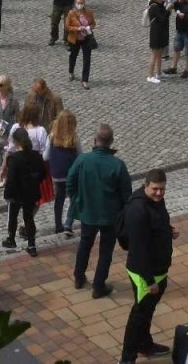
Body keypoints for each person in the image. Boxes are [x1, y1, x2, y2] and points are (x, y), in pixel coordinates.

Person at [119, 169, 178, 364]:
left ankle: (145, 345)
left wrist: (168, 231)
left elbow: (156, 223)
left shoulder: (155, 202)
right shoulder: (138, 210)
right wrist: (149, 280)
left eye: (162, 189)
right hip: (146, 273)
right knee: (139, 316)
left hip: (158, 268)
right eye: (155, 189)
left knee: (146, 312)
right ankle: (127, 358)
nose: (159, 193)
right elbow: (138, 248)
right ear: (146, 186)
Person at [68, 123, 133, 298]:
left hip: (88, 213)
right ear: (111, 142)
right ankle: (98, 286)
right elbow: (127, 194)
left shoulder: (83, 160)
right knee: (106, 251)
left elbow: (70, 181)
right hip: (110, 217)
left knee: (84, 245)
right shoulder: (118, 165)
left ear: (95, 140)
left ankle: (79, 277)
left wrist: (77, 200)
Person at [1, 129, 47, 256]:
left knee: (13, 217)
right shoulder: (36, 155)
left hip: (16, 194)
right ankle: (31, 245)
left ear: (16, 142)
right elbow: (42, 173)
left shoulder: (14, 159)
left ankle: (11, 239)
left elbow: (11, 179)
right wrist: (34, 182)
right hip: (31, 193)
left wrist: (7, 194)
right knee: (29, 218)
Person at [48, 110, 80, 238]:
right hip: (71, 173)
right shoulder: (74, 138)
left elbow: (45, 155)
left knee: (59, 197)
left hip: (57, 173)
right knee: (73, 197)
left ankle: (58, 225)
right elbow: (80, 154)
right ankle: (68, 223)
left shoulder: (51, 136)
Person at [65, 0, 97, 89]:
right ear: (75, 3)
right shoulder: (71, 13)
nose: (80, 5)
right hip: (75, 39)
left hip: (86, 38)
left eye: (82, 3)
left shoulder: (89, 12)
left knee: (87, 59)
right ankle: (71, 71)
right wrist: (77, 29)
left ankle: (85, 80)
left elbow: (93, 24)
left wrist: (88, 27)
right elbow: (67, 27)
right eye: (78, 3)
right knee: (73, 56)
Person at [145, 0, 172, 84]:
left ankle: (159, 72)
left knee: (160, 54)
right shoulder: (154, 7)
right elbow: (162, 19)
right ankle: (150, 75)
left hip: (162, 32)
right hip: (156, 34)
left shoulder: (160, 4)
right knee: (154, 55)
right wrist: (168, 10)